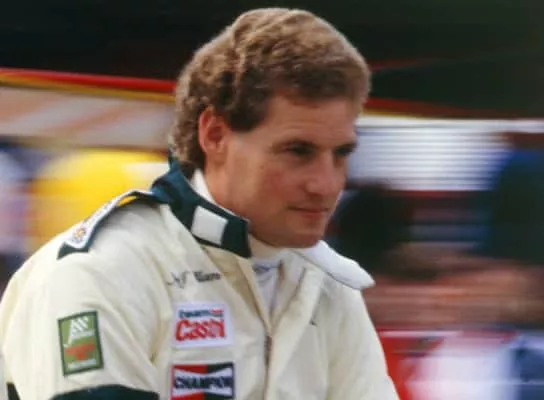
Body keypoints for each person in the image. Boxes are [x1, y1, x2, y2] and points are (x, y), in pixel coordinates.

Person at [0, 8, 398, 400]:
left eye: (341, 154)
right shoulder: (102, 272)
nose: (326, 184)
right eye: (297, 151)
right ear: (215, 135)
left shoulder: (329, 288)